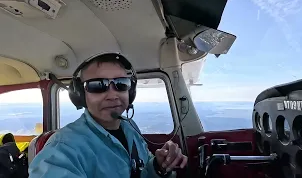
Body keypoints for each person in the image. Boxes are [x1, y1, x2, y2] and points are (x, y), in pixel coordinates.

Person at [28, 53, 188, 178]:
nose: (113, 95)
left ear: (130, 92)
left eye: (121, 84)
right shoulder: (63, 149)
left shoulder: (130, 129)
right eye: (98, 86)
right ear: (80, 95)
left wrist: (158, 167)